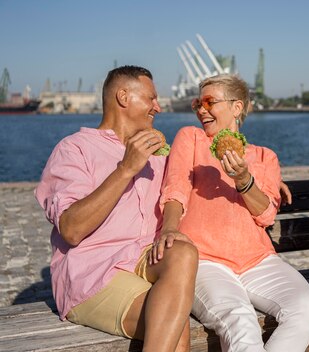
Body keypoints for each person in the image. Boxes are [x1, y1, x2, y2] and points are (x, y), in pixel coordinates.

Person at [155, 74, 309, 352]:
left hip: (257, 260)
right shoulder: (192, 139)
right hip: (204, 261)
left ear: (237, 107)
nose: (200, 109)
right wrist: (169, 228)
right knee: (241, 321)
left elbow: (267, 215)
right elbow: (176, 189)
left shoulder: (263, 157)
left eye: (210, 102)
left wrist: (245, 180)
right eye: (198, 102)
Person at [34, 65, 198, 352]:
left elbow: (179, 194)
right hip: (93, 274)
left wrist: (256, 181)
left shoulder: (158, 155)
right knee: (175, 326)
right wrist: (126, 169)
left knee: (183, 250)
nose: (158, 107)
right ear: (123, 96)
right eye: (151, 98)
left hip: (144, 260)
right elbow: (71, 230)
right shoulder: (74, 149)